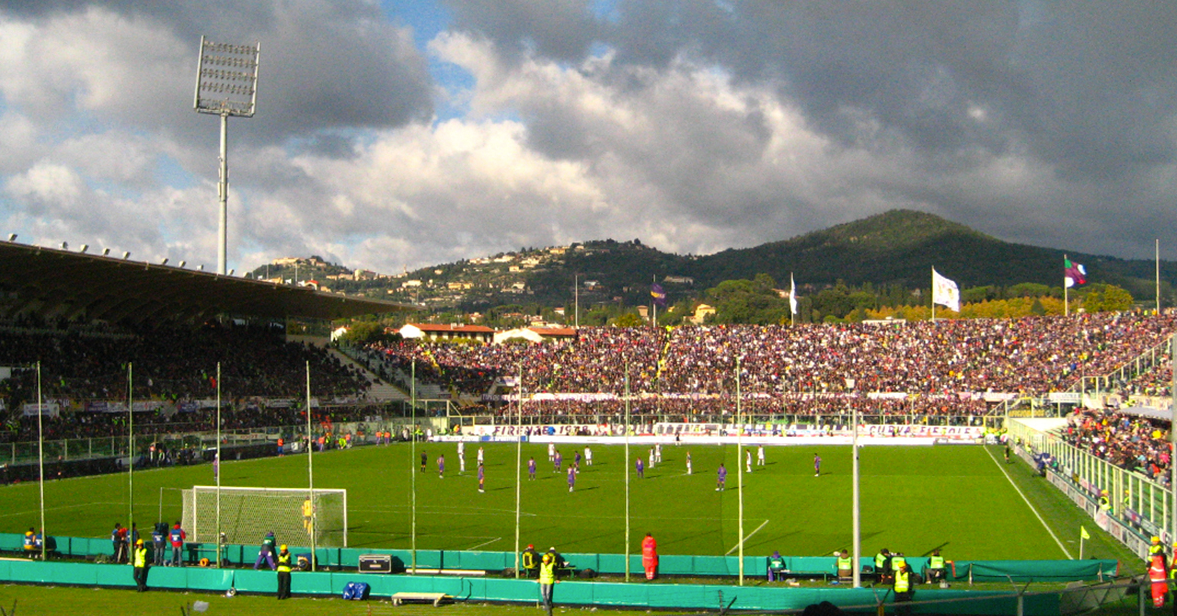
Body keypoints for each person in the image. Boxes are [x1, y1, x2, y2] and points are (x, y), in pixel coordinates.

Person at [538, 551, 557, 616]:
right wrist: (537, 578)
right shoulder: (541, 565)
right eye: (544, 561)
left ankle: (548, 606)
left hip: (549, 581)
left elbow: (556, 572)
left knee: (548, 595)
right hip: (543, 581)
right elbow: (537, 571)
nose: (545, 562)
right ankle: (546, 606)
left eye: (546, 561)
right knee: (543, 594)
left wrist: (558, 579)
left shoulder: (552, 565)